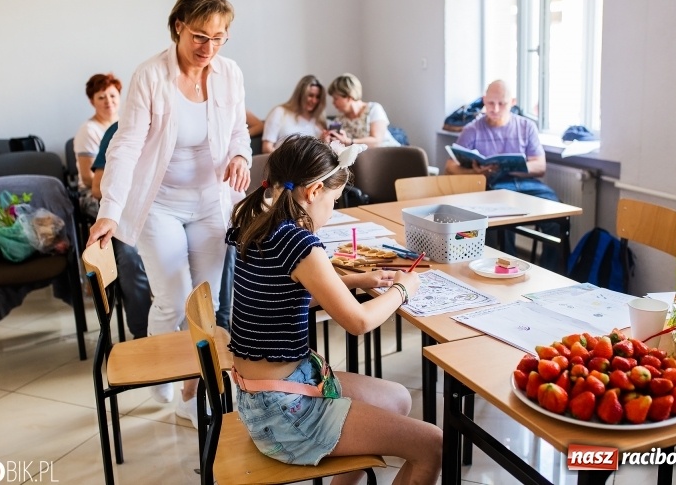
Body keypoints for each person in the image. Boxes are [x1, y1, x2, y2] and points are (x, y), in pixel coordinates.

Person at [226, 135, 442, 484]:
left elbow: (283, 297)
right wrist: (404, 289)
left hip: (264, 396)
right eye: (334, 201)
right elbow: (359, 322)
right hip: (284, 413)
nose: (332, 211)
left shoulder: (255, 224)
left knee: (398, 399)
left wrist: (358, 281)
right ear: (314, 192)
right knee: (432, 443)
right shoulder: (298, 242)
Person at [87, 0, 251, 429]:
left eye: (218, 38)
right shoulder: (150, 76)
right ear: (179, 27)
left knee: (208, 301)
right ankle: (163, 374)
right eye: (200, 36)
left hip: (209, 204)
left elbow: (238, 130)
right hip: (159, 204)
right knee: (173, 300)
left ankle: (190, 392)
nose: (208, 47)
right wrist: (109, 212)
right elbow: (125, 147)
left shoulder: (229, 73)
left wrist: (241, 156)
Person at [444, 79, 561, 269]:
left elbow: (540, 166)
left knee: (557, 216)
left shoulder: (526, 127)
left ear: (512, 102)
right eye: (490, 103)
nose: (496, 109)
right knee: (502, 219)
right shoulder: (472, 129)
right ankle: (507, 269)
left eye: (502, 103)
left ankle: (554, 272)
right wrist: (473, 172)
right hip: (494, 186)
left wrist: (513, 166)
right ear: (484, 100)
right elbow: (450, 166)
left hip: (526, 184)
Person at [90, 123, 152, 340]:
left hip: (173, 213)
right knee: (130, 257)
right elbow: (97, 186)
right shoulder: (118, 129)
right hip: (129, 215)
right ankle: (142, 334)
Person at [73, 73, 121, 217]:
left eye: (112, 96)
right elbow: (88, 178)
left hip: (119, 186)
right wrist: (116, 189)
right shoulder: (88, 130)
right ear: (92, 102)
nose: (108, 101)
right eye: (101, 97)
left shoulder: (126, 125)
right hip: (92, 192)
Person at [324, 73, 400, 148]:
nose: (333, 102)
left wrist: (349, 142)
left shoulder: (374, 109)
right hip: (367, 159)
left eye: (336, 98)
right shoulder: (339, 120)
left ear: (349, 96)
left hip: (391, 154)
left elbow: (377, 141)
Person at [261, 75, 326, 153]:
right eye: (310, 95)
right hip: (283, 162)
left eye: (317, 97)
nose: (314, 101)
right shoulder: (280, 112)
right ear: (300, 94)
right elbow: (266, 148)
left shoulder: (320, 120)